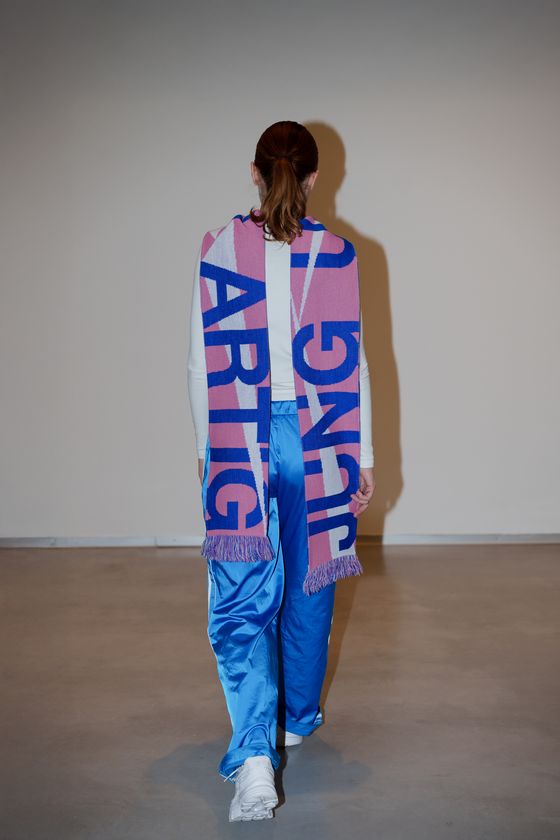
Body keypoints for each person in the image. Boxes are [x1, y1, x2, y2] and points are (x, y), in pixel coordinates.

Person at [187, 120, 375, 822]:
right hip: (317, 441)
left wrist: (207, 450)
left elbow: (200, 363)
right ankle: (294, 716)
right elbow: (354, 362)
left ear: (255, 172)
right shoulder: (337, 254)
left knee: (240, 594)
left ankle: (254, 759)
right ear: (316, 177)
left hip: (241, 435)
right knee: (310, 581)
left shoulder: (218, 249)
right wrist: (364, 457)